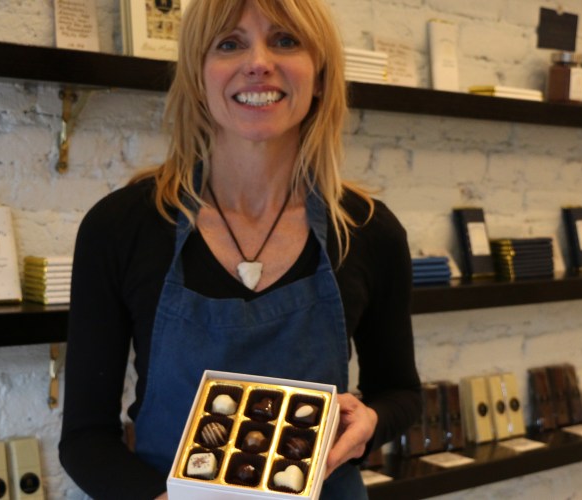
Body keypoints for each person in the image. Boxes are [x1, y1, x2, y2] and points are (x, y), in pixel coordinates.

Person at [58, 0, 421, 498]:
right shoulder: (122, 227)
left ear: (320, 76)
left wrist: (371, 420)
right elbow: (84, 437)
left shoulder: (368, 231)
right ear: (197, 77)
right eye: (229, 43)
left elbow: (400, 392)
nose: (258, 62)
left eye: (285, 40)